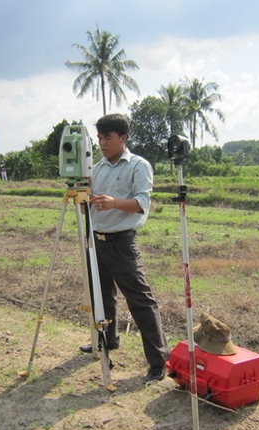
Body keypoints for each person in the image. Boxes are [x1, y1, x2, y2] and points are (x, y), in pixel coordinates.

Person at [79, 113, 169, 384]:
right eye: (99, 138)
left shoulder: (138, 166)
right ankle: (107, 342)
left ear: (123, 138)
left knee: (140, 300)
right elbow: (89, 204)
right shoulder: (97, 168)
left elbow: (142, 202)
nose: (102, 143)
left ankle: (158, 361)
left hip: (122, 243)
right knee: (101, 296)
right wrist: (85, 200)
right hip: (96, 239)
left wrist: (114, 202)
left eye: (107, 138)